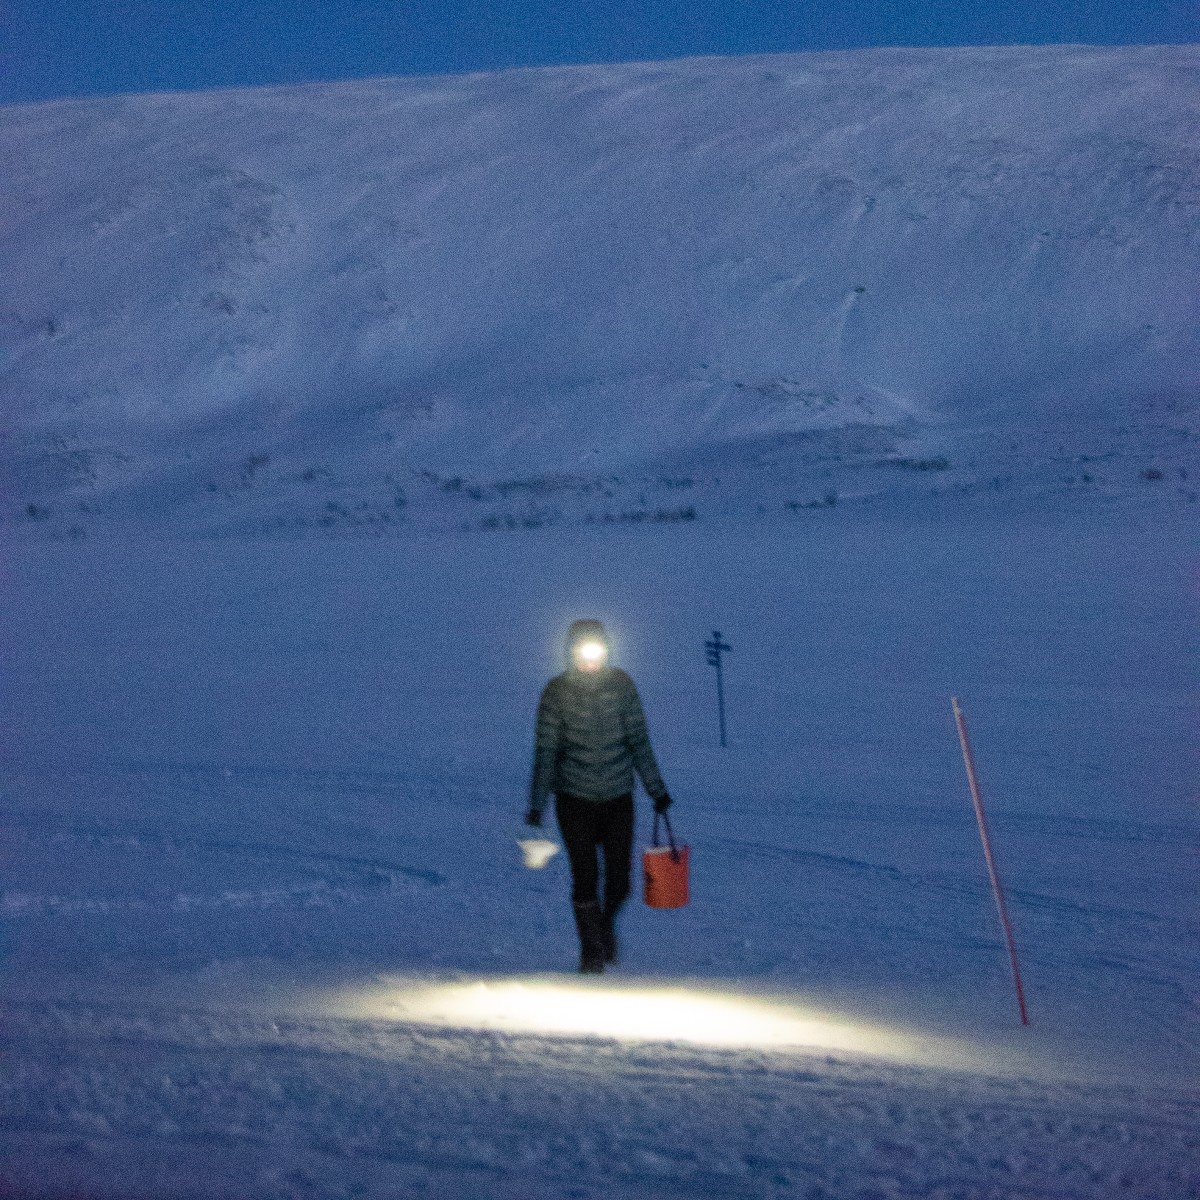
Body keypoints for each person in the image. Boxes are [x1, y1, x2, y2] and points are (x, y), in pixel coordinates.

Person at [525, 619, 672, 974]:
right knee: (585, 875)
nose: (590, 658)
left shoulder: (622, 685)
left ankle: (603, 928)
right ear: (571, 653)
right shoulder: (556, 692)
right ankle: (591, 951)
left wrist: (657, 789)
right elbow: (546, 751)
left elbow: (639, 740)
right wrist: (537, 804)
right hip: (573, 799)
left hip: (618, 798)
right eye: (582, 651)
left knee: (620, 882)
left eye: (596, 651)